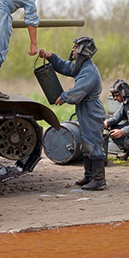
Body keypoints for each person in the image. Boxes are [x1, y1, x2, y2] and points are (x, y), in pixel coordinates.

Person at [39, 37, 107, 190]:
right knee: (86, 142)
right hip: (86, 108)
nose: (73, 50)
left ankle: (99, 180)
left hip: (91, 109)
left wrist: (63, 97)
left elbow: (78, 92)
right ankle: (89, 177)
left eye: (76, 47)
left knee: (93, 142)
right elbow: (67, 67)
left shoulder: (88, 71)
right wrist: (51, 57)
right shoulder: (82, 66)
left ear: (83, 50)